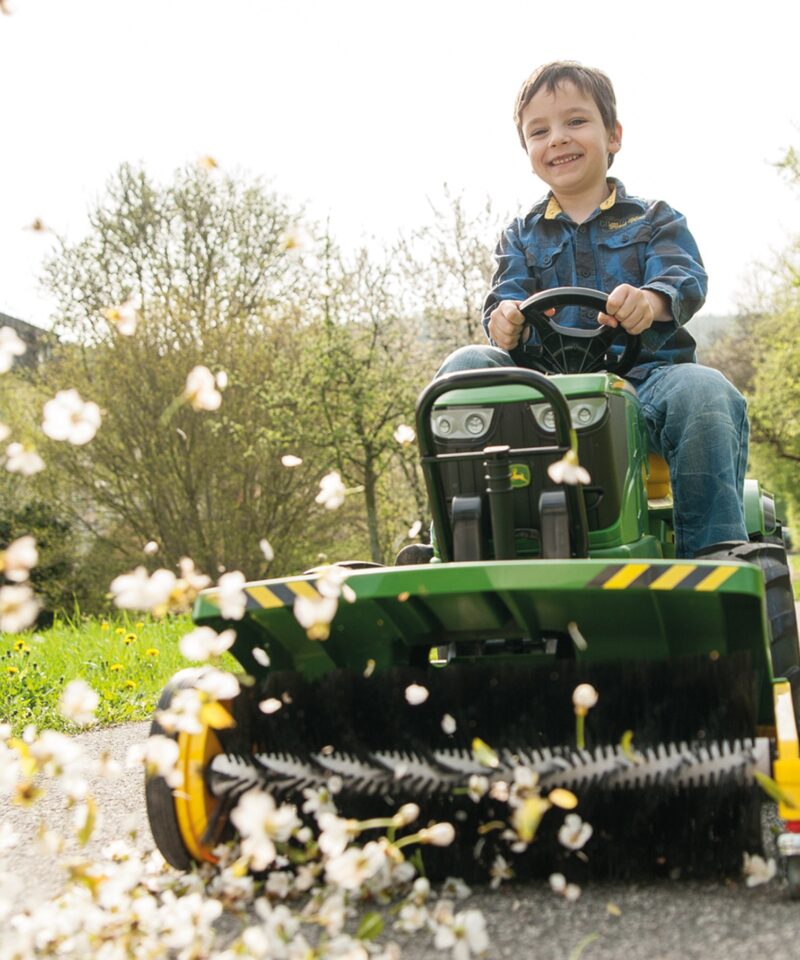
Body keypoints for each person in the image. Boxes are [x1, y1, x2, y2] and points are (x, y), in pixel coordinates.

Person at [435, 60, 749, 559]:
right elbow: (503, 299)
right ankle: (466, 542)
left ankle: (713, 553)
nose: (558, 138)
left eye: (576, 122)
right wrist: (504, 319)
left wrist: (649, 301)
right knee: (465, 366)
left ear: (614, 136)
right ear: (528, 151)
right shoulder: (520, 235)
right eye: (540, 131)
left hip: (646, 386)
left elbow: (684, 279)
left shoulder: (654, 219)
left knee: (705, 388)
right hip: (540, 397)